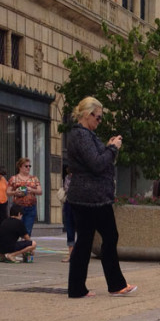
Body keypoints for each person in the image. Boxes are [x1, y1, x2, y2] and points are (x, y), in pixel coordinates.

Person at [65, 96, 136, 298]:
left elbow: (94, 160)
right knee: (109, 236)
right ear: (88, 115)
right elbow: (96, 164)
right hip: (92, 198)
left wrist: (107, 147)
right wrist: (113, 148)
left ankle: (77, 288)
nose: (99, 121)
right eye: (98, 117)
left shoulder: (84, 135)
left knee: (85, 241)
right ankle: (115, 284)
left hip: (86, 196)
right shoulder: (82, 136)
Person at [7, 157, 42, 236]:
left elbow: (40, 191)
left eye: (29, 166)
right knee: (16, 230)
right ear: (20, 167)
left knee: (27, 231)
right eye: (26, 166)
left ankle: (25, 245)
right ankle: (16, 246)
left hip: (31, 207)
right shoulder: (14, 179)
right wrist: (15, 192)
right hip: (18, 208)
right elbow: (8, 192)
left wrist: (32, 190)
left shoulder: (34, 179)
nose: (28, 168)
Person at [60, 165, 74, 262]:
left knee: (83, 230)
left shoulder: (83, 177)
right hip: (69, 204)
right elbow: (67, 189)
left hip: (81, 205)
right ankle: (71, 254)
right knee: (70, 229)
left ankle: (80, 254)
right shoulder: (67, 177)